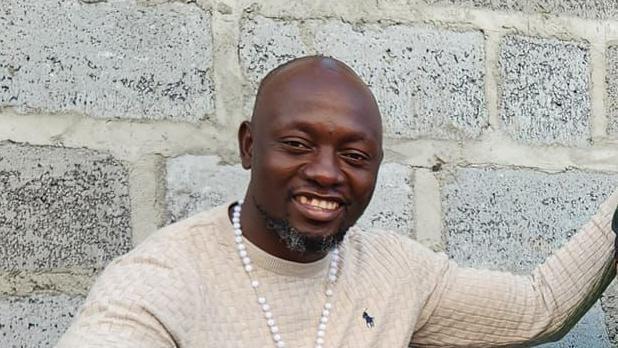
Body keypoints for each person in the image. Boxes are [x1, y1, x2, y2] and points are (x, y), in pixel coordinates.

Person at [57, 56, 618, 347]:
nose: (327, 173)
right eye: (298, 145)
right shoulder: (160, 281)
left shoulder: (397, 272)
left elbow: (540, 308)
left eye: (354, 155)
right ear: (250, 146)